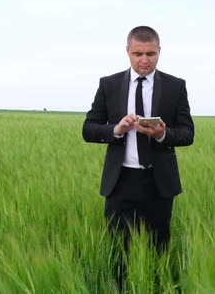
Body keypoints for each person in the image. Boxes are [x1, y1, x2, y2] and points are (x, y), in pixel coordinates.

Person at [82, 26, 194, 288]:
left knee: (158, 253)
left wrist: (162, 134)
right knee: (118, 254)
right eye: (138, 54)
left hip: (158, 182)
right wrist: (116, 130)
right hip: (120, 182)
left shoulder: (176, 86)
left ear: (159, 52)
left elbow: (188, 133)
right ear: (127, 52)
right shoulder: (108, 85)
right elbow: (88, 129)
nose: (144, 59)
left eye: (151, 54)